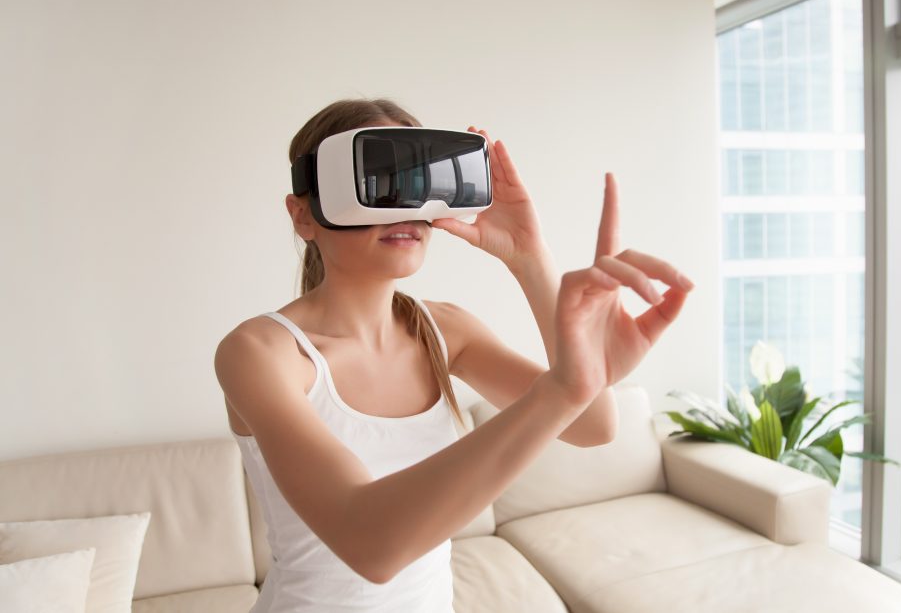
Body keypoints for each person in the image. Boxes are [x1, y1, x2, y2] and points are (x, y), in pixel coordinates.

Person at [214, 98, 694, 612]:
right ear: (303, 216)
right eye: (378, 181)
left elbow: (593, 424)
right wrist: (560, 391)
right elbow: (369, 543)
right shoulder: (261, 353)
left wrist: (529, 256)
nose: (407, 208)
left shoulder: (444, 330)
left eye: (417, 183)